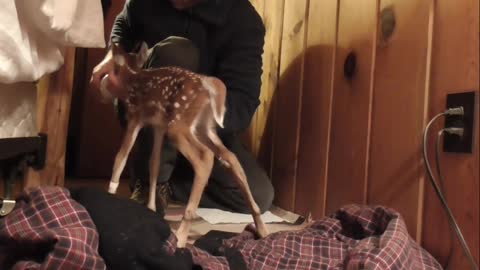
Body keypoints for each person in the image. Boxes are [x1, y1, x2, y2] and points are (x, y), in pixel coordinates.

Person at [90, 0, 274, 214]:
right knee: (178, 52)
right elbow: (124, 22)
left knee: (259, 195)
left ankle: (170, 184)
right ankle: (152, 184)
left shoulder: (243, 20)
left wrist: (190, 117)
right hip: (147, 115)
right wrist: (115, 53)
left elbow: (241, 107)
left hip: (198, 128)